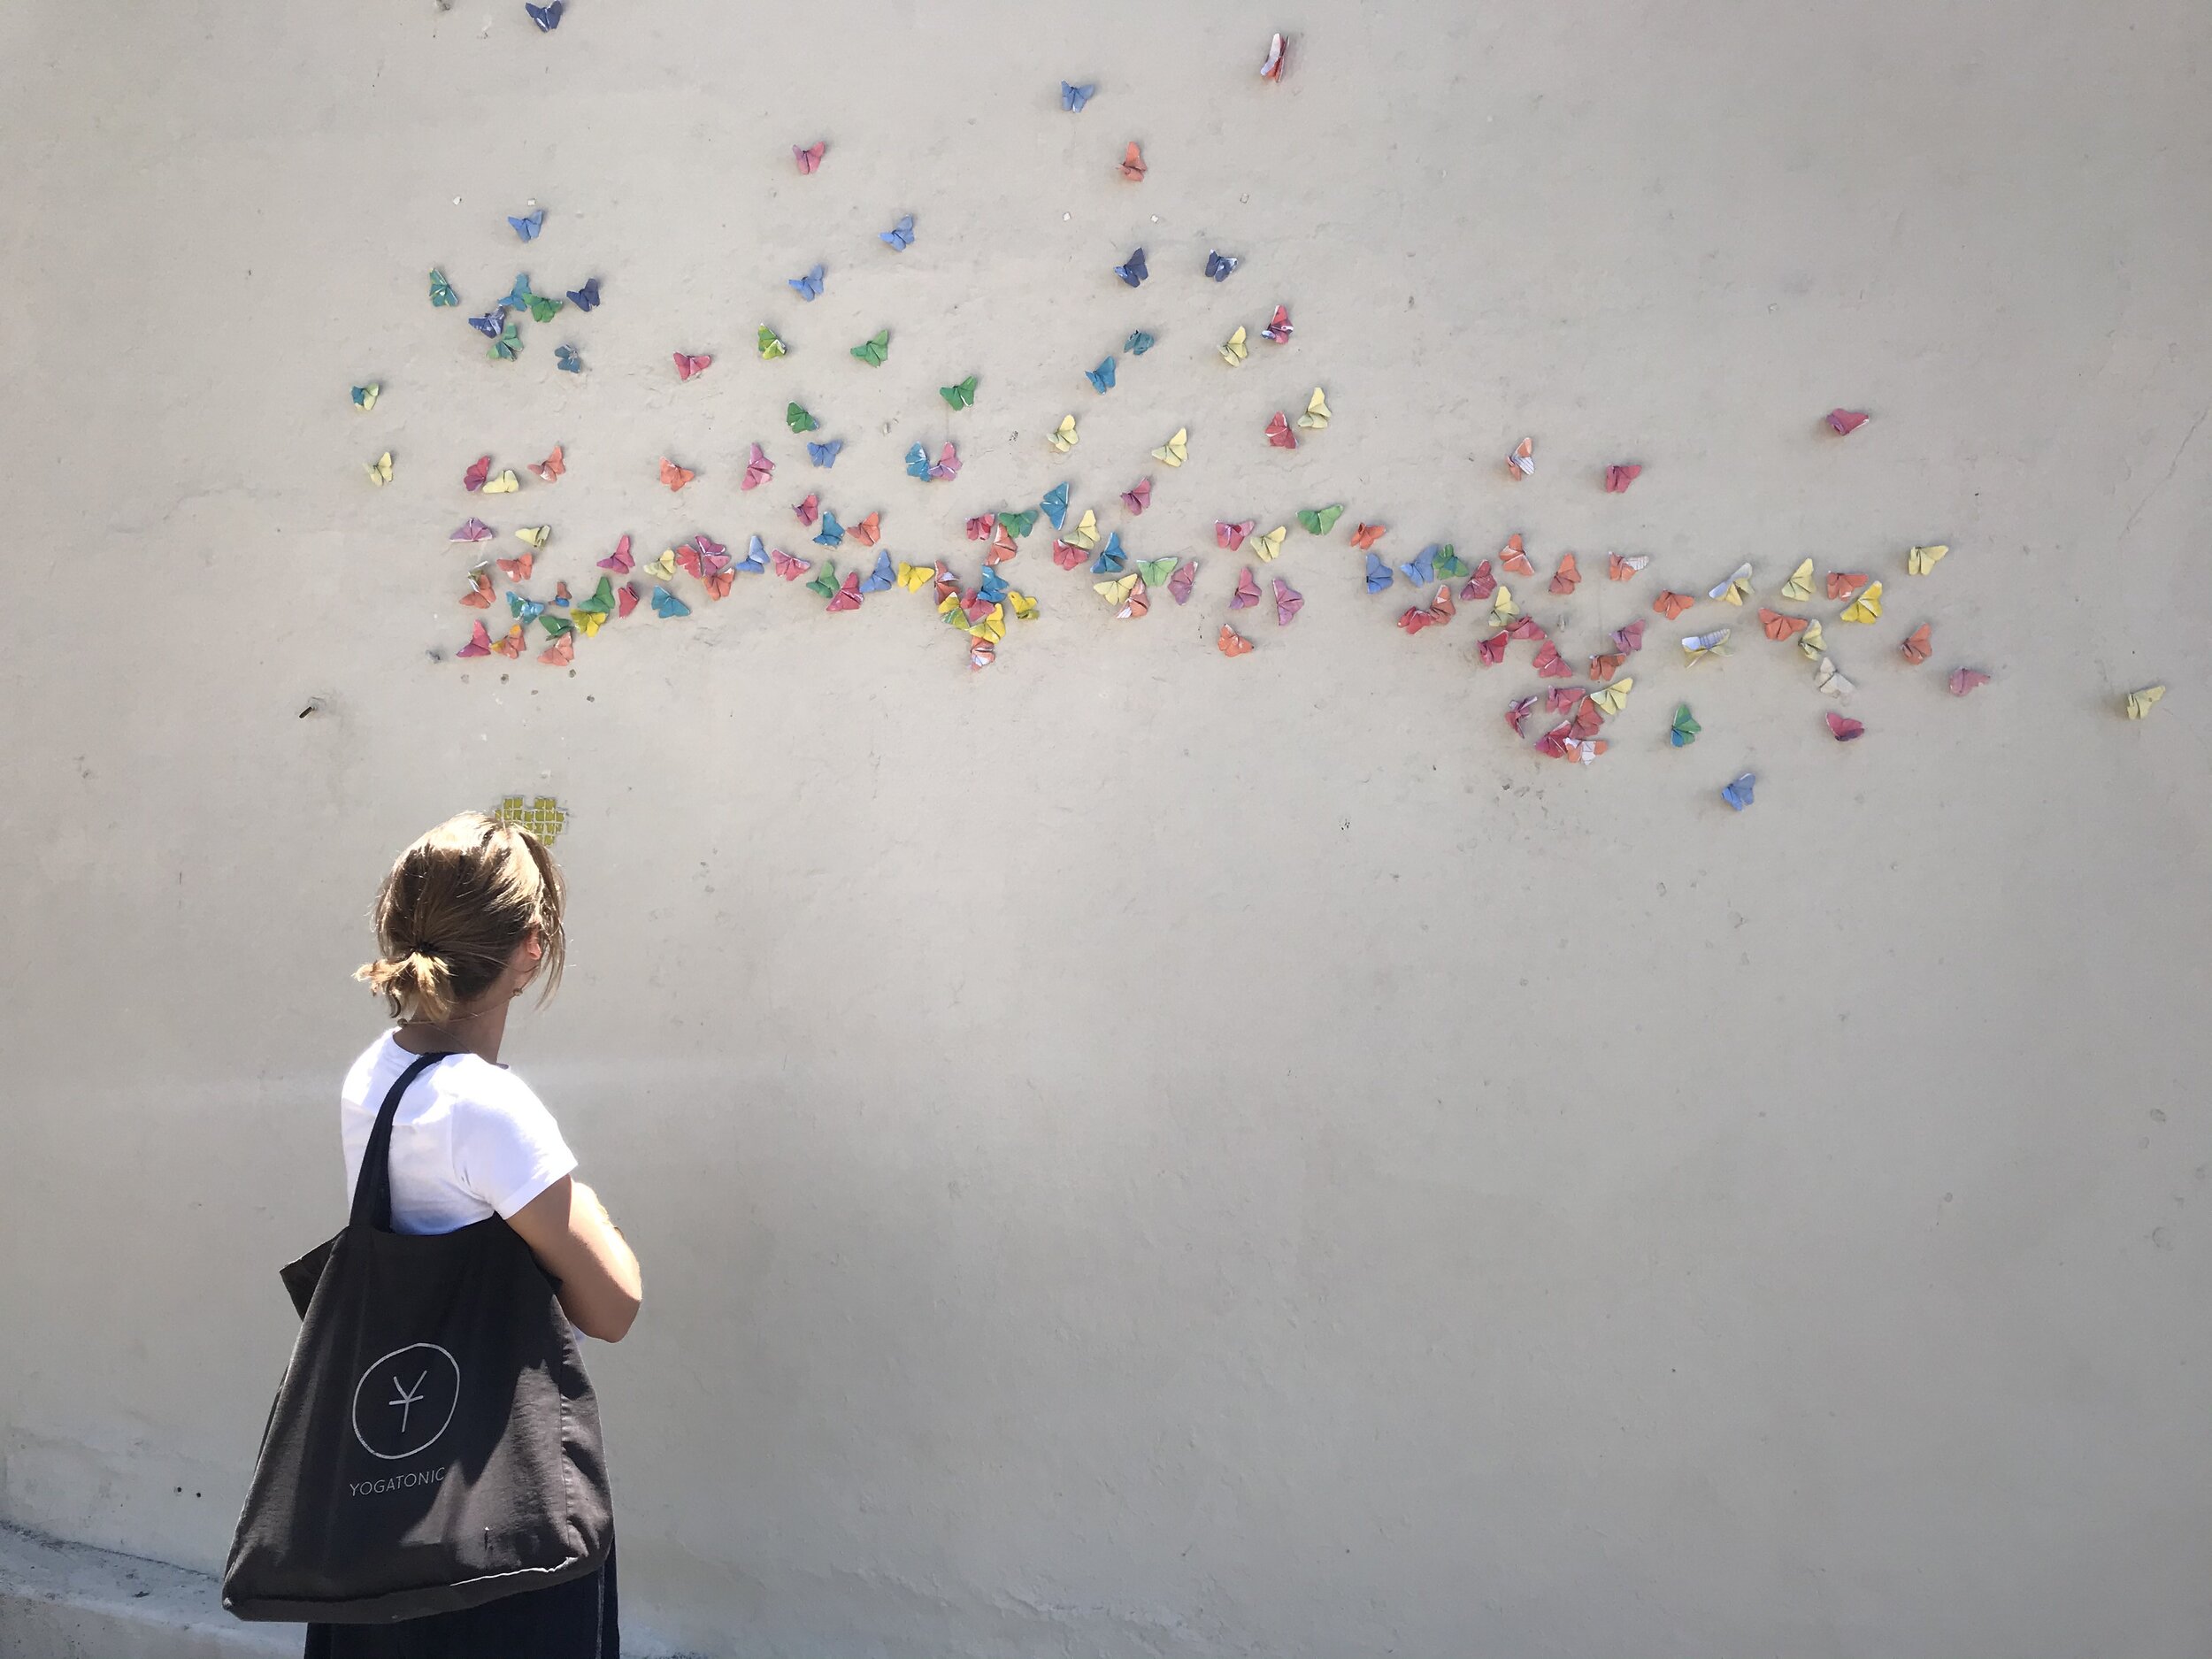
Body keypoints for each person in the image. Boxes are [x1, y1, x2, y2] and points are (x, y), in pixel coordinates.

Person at [304, 811, 641, 1659]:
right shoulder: (490, 1107)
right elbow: (614, 1304)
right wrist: (576, 1192)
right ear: (530, 948)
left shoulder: (375, 1075)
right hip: (494, 1508)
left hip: (388, 1486)